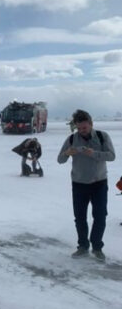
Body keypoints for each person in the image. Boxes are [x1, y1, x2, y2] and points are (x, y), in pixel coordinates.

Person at [57, 109, 115, 260]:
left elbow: (111, 156)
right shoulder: (71, 139)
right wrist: (67, 153)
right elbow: (60, 160)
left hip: (99, 183)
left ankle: (97, 247)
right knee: (80, 217)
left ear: (91, 124)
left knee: (100, 216)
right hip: (79, 184)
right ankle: (83, 246)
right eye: (79, 128)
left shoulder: (103, 137)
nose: (82, 131)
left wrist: (94, 153)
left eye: (84, 127)